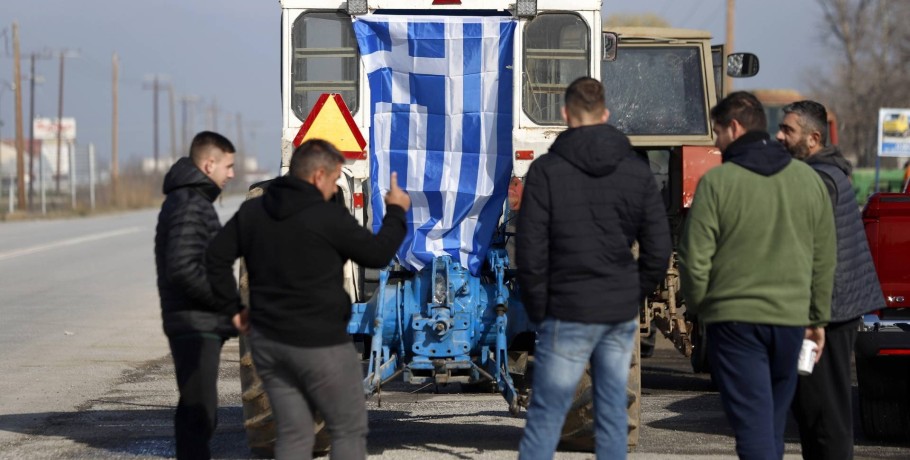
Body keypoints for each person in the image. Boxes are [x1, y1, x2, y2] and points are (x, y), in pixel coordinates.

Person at [206, 139, 410, 459]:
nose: (333, 189)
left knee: (293, 435)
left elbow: (215, 258)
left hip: (269, 347)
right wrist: (397, 211)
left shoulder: (253, 211)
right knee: (347, 430)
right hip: (320, 345)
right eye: (333, 180)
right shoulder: (326, 216)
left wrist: (233, 310)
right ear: (317, 175)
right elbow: (378, 253)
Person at [516, 76, 672, 459]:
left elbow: (530, 251)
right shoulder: (636, 172)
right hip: (616, 311)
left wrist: (540, 308)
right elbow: (659, 247)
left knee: (546, 418)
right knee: (612, 417)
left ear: (565, 114)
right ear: (606, 114)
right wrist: (631, 292)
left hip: (565, 309)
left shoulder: (546, 172)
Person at [678, 91, 836, 460]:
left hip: (735, 322)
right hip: (791, 321)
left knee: (753, 429)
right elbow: (824, 257)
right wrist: (817, 319)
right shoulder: (808, 181)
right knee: (771, 425)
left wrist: (703, 307)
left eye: (717, 133)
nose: (715, 143)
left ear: (734, 128)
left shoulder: (717, 183)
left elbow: (693, 258)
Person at [776, 100, 885, 460]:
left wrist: (811, 316)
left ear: (813, 137)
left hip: (828, 314)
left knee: (825, 414)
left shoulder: (819, 179)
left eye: (788, 130)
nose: (779, 136)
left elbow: (806, 247)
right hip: (832, 309)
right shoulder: (825, 172)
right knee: (814, 410)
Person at [154, 131, 238, 459]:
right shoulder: (189, 204)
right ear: (208, 164)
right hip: (194, 324)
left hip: (197, 321)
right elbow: (183, 269)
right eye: (228, 166)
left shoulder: (192, 200)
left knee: (197, 411)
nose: (231, 174)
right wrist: (226, 304)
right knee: (198, 415)